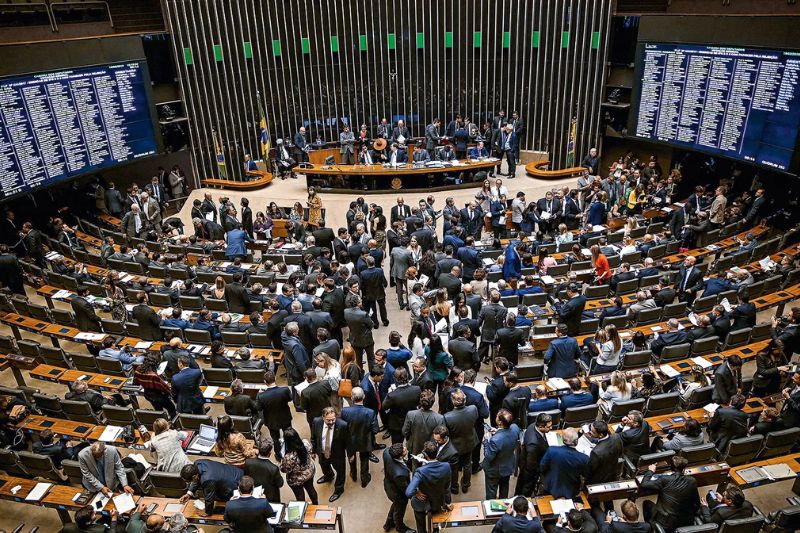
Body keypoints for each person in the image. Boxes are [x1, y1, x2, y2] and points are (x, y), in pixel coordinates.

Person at [640, 456, 700, 531]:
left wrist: (650, 471)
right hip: (686, 521)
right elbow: (697, 504)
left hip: (666, 523)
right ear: (684, 468)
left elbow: (644, 484)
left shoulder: (665, 479)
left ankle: (651, 529)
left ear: (671, 467)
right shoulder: (692, 481)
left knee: (646, 503)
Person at [406, 440, 453, 533]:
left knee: (421, 525)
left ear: (425, 455)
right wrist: (448, 502)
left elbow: (408, 492)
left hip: (421, 502)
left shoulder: (420, 471)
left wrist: (416, 492)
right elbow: (447, 487)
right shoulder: (446, 466)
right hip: (437, 500)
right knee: (436, 522)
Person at [340, 387, 378, 487]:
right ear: (364, 397)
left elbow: (342, 427)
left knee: (351, 458)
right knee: (364, 459)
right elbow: (375, 430)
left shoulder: (344, 411)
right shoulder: (370, 412)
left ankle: (353, 475)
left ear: (351, 398)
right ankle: (364, 479)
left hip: (350, 441)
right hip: (365, 440)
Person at [443, 388, 479, 494]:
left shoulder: (447, 417)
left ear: (452, 401)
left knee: (454, 468)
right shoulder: (473, 409)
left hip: (455, 446)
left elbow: (446, 433)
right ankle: (466, 485)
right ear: (465, 400)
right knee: (467, 464)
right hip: (469, 441)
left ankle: (454, 487)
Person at [311, 407, 350, 502]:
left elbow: (348, 441)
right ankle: (329, 476)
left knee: (340, 472)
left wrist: (351, 454)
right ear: (323, 417)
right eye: (329, 420)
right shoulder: (316, 422)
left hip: (337, 454)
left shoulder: (343, 425)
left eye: (333, 419)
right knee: (324, 466)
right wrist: (313, 451)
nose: (332, 422)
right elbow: (314, 437)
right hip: (322, 452)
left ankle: (339, 490)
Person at [482, 408, 521, 499]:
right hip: (508, 465)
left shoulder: (495, 440)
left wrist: (486, 441)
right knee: (504, 487)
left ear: (500, 422)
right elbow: (507, 436)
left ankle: (491, 507)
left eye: (497, 417)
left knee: (491, 490)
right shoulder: (515, 428)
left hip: (494, 470)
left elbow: (488, 456)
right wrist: (498, 431)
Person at [540, 427, 589, 499]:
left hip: (551, 485)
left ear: (563, 440)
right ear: (576, 442)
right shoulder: (584, 458)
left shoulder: (551, 450)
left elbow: (542, 466)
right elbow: (585, 474)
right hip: (571, 489)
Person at [280, 427, 318, 504]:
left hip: (296, 479)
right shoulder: (305, 443)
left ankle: (303, 508)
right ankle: (315, 504)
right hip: (309, 472)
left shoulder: (289, 457)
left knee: (300, 495)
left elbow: (284, 470)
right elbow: (310, 451)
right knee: (311, 489)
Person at [383, 442, 414, 533]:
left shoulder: (386, 452)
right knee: (400, 509)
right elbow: (405, 488)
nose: (405, 448)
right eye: (404, 450)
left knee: (396, 505)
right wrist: (413, 494)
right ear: (400, 456)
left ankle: (388, 523)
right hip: (397, 493)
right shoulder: (400, 473)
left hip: (389, 483)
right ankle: (400, 527)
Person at [403, 389, 445, 457]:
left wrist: (409, 439)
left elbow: (404, 432)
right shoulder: (439, 418)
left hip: (414, 446)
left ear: (420, 401)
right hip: (430, 450)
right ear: (433, 402)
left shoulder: (411, 414)